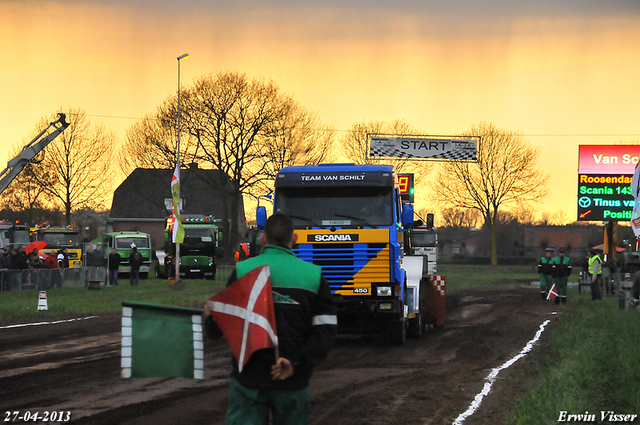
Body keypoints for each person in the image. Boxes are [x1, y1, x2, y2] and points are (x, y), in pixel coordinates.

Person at [204, 213, 337, 425]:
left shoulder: (243, 271)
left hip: (248, 381)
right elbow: (326, 332)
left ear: (263, 239)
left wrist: (210, 314)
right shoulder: (314, 276)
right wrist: (296, 363)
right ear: (294, 238)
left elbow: (215, 330)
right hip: (293, 381)